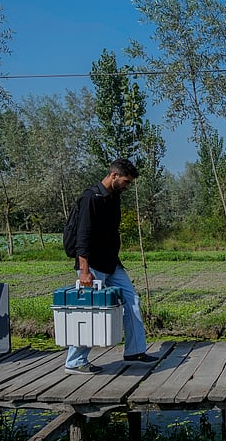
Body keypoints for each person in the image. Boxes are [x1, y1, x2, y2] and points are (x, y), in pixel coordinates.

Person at [64, 158, 157, 374]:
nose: (127, 186)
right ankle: (75, 361)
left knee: (132, 300)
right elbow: (83, 236)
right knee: (88, 311)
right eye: (125, 181)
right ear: (114, 175)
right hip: (92, 265)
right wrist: (84, 271)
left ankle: (134, 351)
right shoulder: (91, 198)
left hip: (112, 263)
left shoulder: (113, 198)